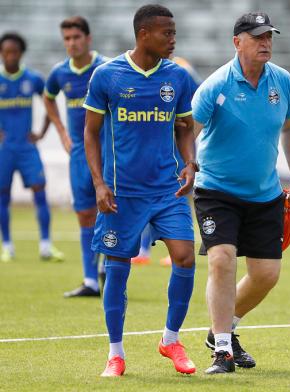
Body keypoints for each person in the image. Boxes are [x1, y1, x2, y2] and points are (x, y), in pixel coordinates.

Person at [83, 4, 197, 376]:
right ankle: (115, 354)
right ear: (144, 34)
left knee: (185, 257)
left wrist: (190, 163)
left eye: (174, 32)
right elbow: (91, 132)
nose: (173, 39)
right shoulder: (107, 76)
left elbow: (184, 126)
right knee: (117, 269)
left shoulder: (177, 77)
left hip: (168, 190)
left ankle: (170, 339)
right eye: (167, 33)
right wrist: (99, 184)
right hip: (122, 194)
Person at [191, 12, 290, 374]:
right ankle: (222, 351)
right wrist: (180, 168)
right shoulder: (216, 85)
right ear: (237, 42)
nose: (266, 43)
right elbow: (186, 133)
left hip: (265, 193)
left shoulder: (282, 81)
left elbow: (289, 129)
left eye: (269, 36)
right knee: (222, 258)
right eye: (257, 37)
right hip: (216, 190)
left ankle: (221, 330)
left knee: (266, 274)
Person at [44, 17, 107, 297]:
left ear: (88, 39)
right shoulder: (59, 73)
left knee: (112, 209)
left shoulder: (105, 68)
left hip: (109, 150)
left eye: (76, 37)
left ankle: (109, 264)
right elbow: (48, 98)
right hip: (80, 153)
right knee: (84, 213)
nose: (71, 43)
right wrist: (61, 131)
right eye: (67, 38)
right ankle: (90, 280)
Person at [0, 32, 64, 263]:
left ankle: (46, 245)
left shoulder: (33, 79)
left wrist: (43, 132)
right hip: (4, 150)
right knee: (2, 197)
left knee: (40, 192)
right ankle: (7, 246)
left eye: (14, 52)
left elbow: (50, 101)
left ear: (21, 53)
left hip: (27, 148)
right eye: (6, 52)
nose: (10, 56)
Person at [133, 55, 201, 267]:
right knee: (146, 194)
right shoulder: (141, 68)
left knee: (179, 193)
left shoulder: (182, 69)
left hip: (177, 144)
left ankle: (176, 249)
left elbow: (198, 100)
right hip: (151, 144)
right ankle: (143, 249)